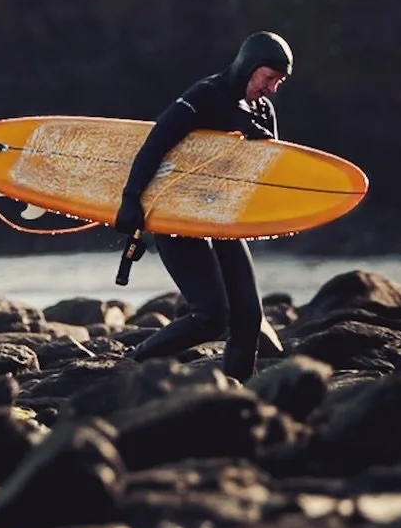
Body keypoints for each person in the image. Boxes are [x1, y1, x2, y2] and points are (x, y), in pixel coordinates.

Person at [114, 31, 293, 382]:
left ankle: (236, 396)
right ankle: (130, 366)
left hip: (223, 218)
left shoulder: (262, 110)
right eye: (269, 78)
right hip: (176, 217)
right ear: (250, 67)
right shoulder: (204, 97)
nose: (272, 89)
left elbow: (265, 176)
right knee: (212, 316)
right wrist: (131, 198)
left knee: (247, 318)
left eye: (279, 82)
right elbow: (155, 145)